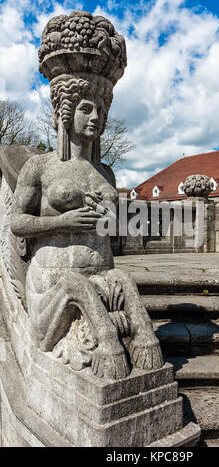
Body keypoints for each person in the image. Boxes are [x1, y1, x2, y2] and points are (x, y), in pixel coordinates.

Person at [10, 73, 163, 380]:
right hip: (53, 289)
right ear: (66, 114)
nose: (96, 117)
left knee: (125, 280)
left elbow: (113, 226)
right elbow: (17, 222)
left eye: (101, 111)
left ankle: (145, 341)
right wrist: (61, 222)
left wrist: (106, 213)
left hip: (101, 279)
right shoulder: (40, 166)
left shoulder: (105, 172)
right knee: (74, 284)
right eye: (86, 109)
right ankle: (107, 340)